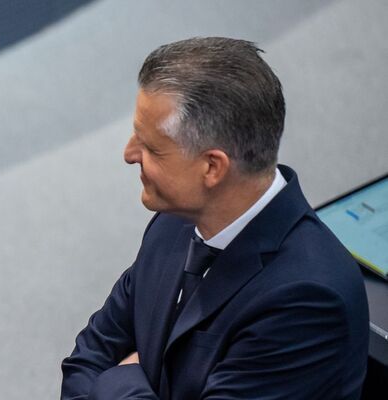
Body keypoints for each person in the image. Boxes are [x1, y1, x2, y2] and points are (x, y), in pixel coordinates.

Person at [60, 37, 368, 399]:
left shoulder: (307, 300)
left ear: (212, 167)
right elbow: (86, 360)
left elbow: (101, 374)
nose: (129, 155)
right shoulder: (173, 224)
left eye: (151, 148)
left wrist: (119, 380)